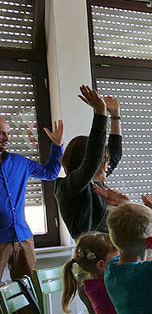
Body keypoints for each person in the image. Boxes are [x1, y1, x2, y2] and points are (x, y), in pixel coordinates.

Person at [55, 86, 124, 240]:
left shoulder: (95, 182)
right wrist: (100, 112)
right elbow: (91, 162)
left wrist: (115, 115)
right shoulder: (68, 186)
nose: (108, 165)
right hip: (93, 256)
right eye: (104, 160)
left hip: (110, 249)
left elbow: (115, 155)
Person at [0, 113, 63, 279]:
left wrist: (56, 145)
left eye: (7, 133)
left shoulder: (19, 162)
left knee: (29, 291)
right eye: (1, 133)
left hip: (22, 236)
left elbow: (50, 173)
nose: (6, 137)